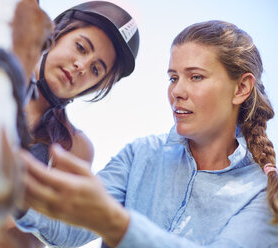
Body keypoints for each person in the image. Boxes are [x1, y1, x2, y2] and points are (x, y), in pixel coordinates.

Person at [15, 20, 278, 248]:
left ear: (241, 88)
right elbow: (66, 229)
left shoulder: (265, 194)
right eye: (173, 78)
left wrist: (117, 224)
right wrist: (9, 182)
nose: (177, 91)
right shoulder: (139, 155)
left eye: (195, 77)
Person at [0, 1, 140, 247]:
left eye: (96, 69)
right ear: (58, 32)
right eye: (81, 47)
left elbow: (40, 231)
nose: (81, 66)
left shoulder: (74, 147)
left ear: (94, 86)